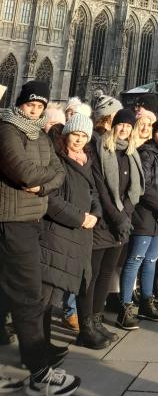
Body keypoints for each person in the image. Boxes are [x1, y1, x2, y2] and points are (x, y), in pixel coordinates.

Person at [0, 80, 80, 396]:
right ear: (20, 102)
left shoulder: (38, 133)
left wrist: (42, 186)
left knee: (16, 295)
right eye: (30, 104)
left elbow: (57, 173)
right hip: (12, 221)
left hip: (30, 220)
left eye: (40, 105)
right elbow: (25, 172)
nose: (34, 109)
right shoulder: (8, 129)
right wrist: (40, 180)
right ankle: (39, 374)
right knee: (29, 294)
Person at [78, 109, 143, 343]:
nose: (124, 129)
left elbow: (134, 191)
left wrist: (125, 215)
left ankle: (96, 321)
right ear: (114, 126)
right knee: (91, 275)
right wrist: (117, 217)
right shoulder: (101, 149)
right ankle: (85, 328)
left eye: (128, 126)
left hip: (121, 224)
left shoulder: (131, 153)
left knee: (106, 274)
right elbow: (101, 188)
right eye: (121, 125)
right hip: (103, 222)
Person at [40, 111, 101, 354]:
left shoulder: (86, 159)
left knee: (56, 292)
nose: (79, 140)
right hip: (58, 233)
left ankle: (41, 345)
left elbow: (95, 192)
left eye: (84, 135)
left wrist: (95, 214)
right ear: (66, 134)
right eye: (75, 134)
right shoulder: (57, 159)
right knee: (46, 295)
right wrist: (79, 217)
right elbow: (51, 198)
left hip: (80, 233)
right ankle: (36, 347)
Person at [118, 120, 158, 328]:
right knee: (135, 259)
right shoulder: (145, 152)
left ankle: (147, 301)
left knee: (152, 260)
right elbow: (142, 184)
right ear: (154, 134)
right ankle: (125, 306)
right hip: (145, 216)